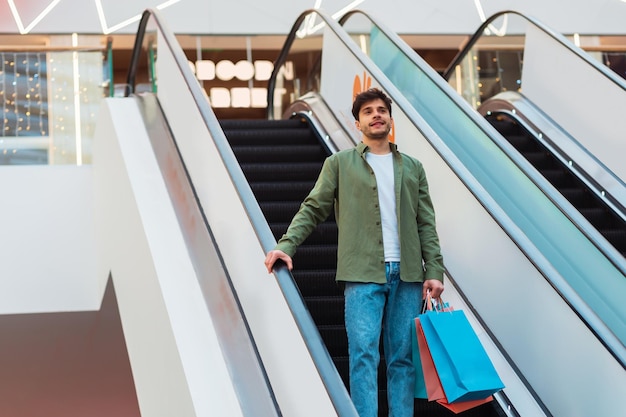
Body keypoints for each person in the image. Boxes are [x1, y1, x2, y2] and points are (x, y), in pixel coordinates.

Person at [264, 88, 445, 417]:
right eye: (368, 112)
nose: (376, 114)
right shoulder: (339, 164)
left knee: (402, 358)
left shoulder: (414, 167)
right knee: (363, 356)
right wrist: (285, 245)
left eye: (381, 110)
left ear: (391, 119)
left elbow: (426, 223)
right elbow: (313, 208)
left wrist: (434, 269)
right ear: (357, 124)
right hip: (362, 274)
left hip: (407, 275)